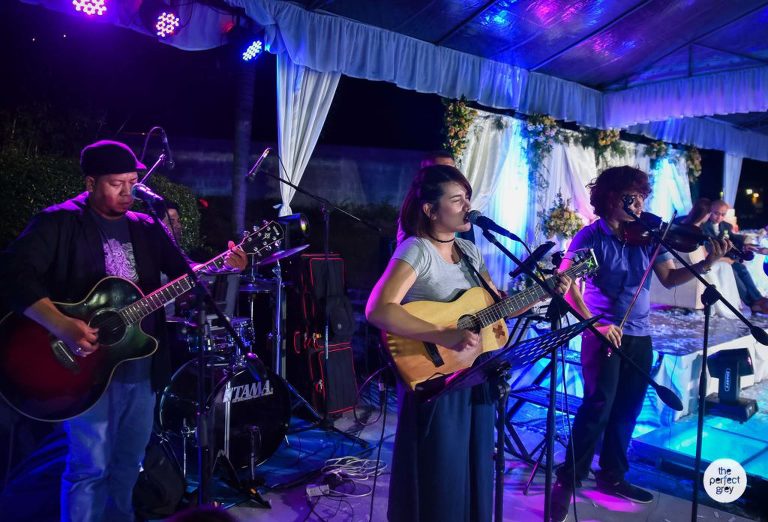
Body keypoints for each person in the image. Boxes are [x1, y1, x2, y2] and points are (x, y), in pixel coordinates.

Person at [0, 140, 247, 522]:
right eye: (116, 183)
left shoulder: (145, 226)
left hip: (138, 365)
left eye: (132, 182)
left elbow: (186, 271)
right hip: (81, 370)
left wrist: (224, 265)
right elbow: (12, 274)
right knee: (89, 468)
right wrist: (61, 323)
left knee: (129, 463)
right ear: (91, 183)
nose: (127, 191)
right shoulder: (59, 222)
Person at [366, 164, 570, 521]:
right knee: (442, 470)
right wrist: (444, 334)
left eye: (468, 199)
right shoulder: (417, 250)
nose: (467, 207)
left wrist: (544, 292)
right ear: (430, 210)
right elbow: (378, 309)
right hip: (437, 378)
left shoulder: (469, 252)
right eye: (457, 199)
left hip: (475, 374)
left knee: (474, 464)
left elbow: (495, 309)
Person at [551, 166, 730, 522]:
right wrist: (595, 323)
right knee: (598, 408)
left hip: (639, 334)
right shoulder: (591, 237)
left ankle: (612, 475)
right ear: (611, 198)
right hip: (603, 333)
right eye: (632, 198)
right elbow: (565, 284)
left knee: (628, 409)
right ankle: (567, 480)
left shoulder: (647, 237)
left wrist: (708, 262)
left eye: (642, 198)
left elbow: (669, 277)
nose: (640, 206)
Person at [701, 199, 768, 314]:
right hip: (714, 258)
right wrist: (724, 259)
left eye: (723, 214)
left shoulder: (725, 226)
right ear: (710, 211)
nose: (719, 217)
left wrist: (745, 241)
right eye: (716, 213)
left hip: (726, 258)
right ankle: (751, 302)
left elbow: (734, 238)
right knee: (733, 273)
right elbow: (706, 248)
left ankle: (758, 299)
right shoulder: (703, 227)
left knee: (741, 268)